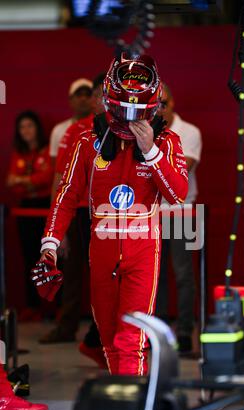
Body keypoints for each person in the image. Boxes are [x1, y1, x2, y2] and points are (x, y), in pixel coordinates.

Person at [33, 54, 188, 376]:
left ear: (154, 106)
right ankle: (123, 405)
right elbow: (65, 196)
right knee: (107, 338)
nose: (130, 117)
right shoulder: (87, 141)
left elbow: (177, 195)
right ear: (108, 103)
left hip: (144, 249)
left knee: (131, 339)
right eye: (124, 108)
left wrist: (151, 153)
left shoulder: (167, 141)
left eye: (139, 110)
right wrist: (50, 244)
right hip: (101, 250)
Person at [39, 74, 107, 369]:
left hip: (120, 216)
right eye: (102, 95)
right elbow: (60, 181)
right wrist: (58, 231)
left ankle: (103, 339)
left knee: (112, 279)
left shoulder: (136, 128)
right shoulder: (77, 131)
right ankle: (88, 336)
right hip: (82, 213)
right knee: (82, 275)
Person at [39, 78, 93, 343]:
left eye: (91, 94)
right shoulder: (73, 131)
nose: (88, 100)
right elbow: (60, 176)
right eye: (81, 95)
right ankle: (67, 326)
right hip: (77, 211)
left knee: (109, 274)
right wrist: (56, 226)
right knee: (71, 270)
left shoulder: (124, 127)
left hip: (109, 211)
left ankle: (105, 331)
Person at [155, 83, 202, 353]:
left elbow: (183, 171)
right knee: (155, 275)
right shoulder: (148, 130)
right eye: (157, 104)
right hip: (152, 211)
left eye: (165, 103)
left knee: (183, 273)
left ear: (172, 102)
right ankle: (158, 330)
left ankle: (185, 331)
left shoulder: (190, 131)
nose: (161, 108)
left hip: (183, 210)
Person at [7, 111, 53, 321]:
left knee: (51, 258)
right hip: (25, 209)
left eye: (30, 126)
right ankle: (32, 306)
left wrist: (24, 181)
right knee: (29, 258)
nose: (26, 131)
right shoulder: (19, 153)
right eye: (22, 127)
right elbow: (10, 183)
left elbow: (48, 177)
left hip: (46, 207)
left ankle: (54, 306)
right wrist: (31, 183)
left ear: (37, 128)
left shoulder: (47, 150)